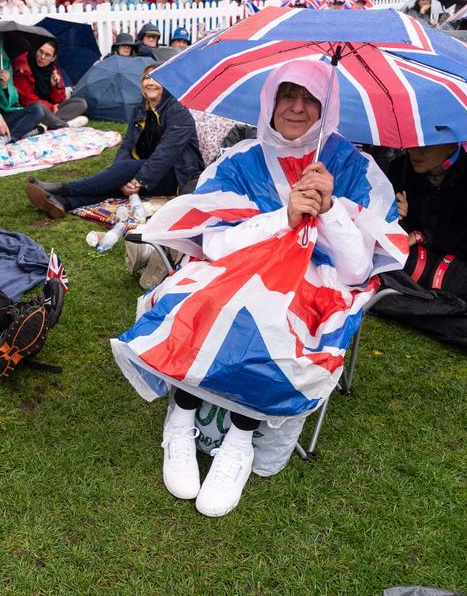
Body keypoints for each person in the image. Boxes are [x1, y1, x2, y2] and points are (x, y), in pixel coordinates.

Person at [111, 59, 406, 517]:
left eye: (311, 98)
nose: (297, 107)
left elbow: (353, 271)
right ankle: (181, 418)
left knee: (271, 319)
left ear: (328, 108)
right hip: (234, 264)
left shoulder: (351, 166)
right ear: (270, 101)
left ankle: (240, 440)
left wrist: (329, 210)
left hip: (315, 279)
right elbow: (216, 243)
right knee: (207, 299)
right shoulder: (240, 159)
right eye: (288, 94)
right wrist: (282, 218)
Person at [25, 64, 201, 217]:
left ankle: (63, 189)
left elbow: (166, 153)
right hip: (148, 168)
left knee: (126, 169)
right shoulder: (141, 109)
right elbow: (127, 145)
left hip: (178, 175)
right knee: (116, 179)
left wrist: (138, 180)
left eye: (157, 78)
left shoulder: (179, 112)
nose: (150, 82)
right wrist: (120, 178)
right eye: (147, 77)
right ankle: (64, 202)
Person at [387, 144, 467, 303]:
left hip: (459, 261)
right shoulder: (399, 169)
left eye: (425, 148)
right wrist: (393, 215)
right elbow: (381, 231)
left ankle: (415, 285)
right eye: (411, 146)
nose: (414, 153)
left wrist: (425, 236)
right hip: (412, 256)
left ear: (451, 146)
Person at [12, 40, 89, 130]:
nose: (42, 57)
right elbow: (25, 98)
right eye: (40, 52)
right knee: (39, 107)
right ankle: (64, 125)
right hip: (32, 108)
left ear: (53, 58)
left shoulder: (53, 69)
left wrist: (56, 85)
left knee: (81, 103)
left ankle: (45, 125)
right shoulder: (23, 64)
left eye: (47, 55)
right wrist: (51, 107)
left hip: (50, 108)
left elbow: (59, 99)